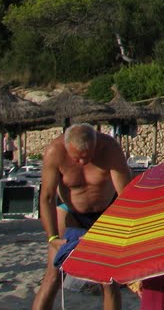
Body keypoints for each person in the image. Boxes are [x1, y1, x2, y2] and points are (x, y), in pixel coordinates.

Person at [32, 124, 131, 310]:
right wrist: (52, 238)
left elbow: (126, 195)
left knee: (108, 280)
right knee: (53, 276)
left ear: (96, 145)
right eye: (77, 158)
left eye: (87, 157)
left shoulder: (110, 149)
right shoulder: (55, 151)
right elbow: (46, 197)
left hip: (104, 214)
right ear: (67, 147)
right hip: (70, 212)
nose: (83, 163)